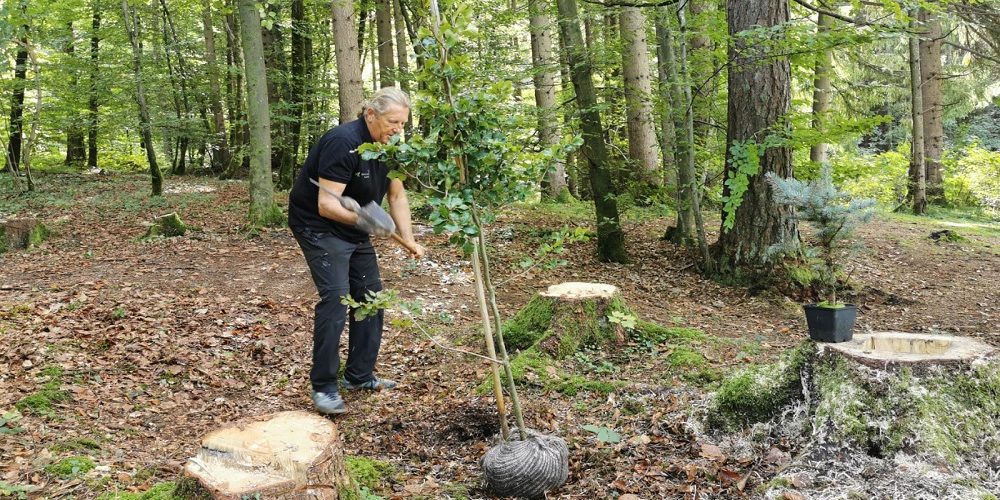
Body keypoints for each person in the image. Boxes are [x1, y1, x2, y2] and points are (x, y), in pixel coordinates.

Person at [288, 87, 424, 415]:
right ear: (370, 115)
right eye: (393, 122)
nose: (398, 129)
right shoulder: (342, 142)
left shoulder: (390, 147)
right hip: (318, 225)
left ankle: (360, 376)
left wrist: (408, 238)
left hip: (356, 225)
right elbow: (326, 204)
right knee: (336, 298)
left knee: (371, 297)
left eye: (403, 124)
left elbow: (397, 196)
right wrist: (369, 222)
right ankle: (323, 388)